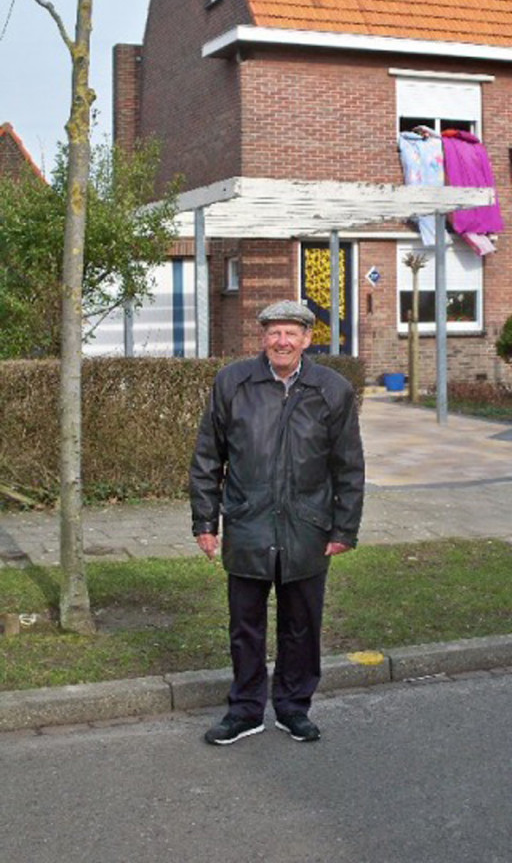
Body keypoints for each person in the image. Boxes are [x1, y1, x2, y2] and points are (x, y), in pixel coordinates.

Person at [190, 300, 365, 745]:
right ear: (262, 338)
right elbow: (209, 457)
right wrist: (205, 521)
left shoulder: (333, 390)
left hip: (308, 527)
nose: (282, 341)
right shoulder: (233, 383)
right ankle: (245, 710)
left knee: (301, 626)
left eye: (292, 333)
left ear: (308, 339)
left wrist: (344, 529)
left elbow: (348, 465)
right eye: (274, 332)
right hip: (248, 524)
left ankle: (293, 707)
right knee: (244, 626)